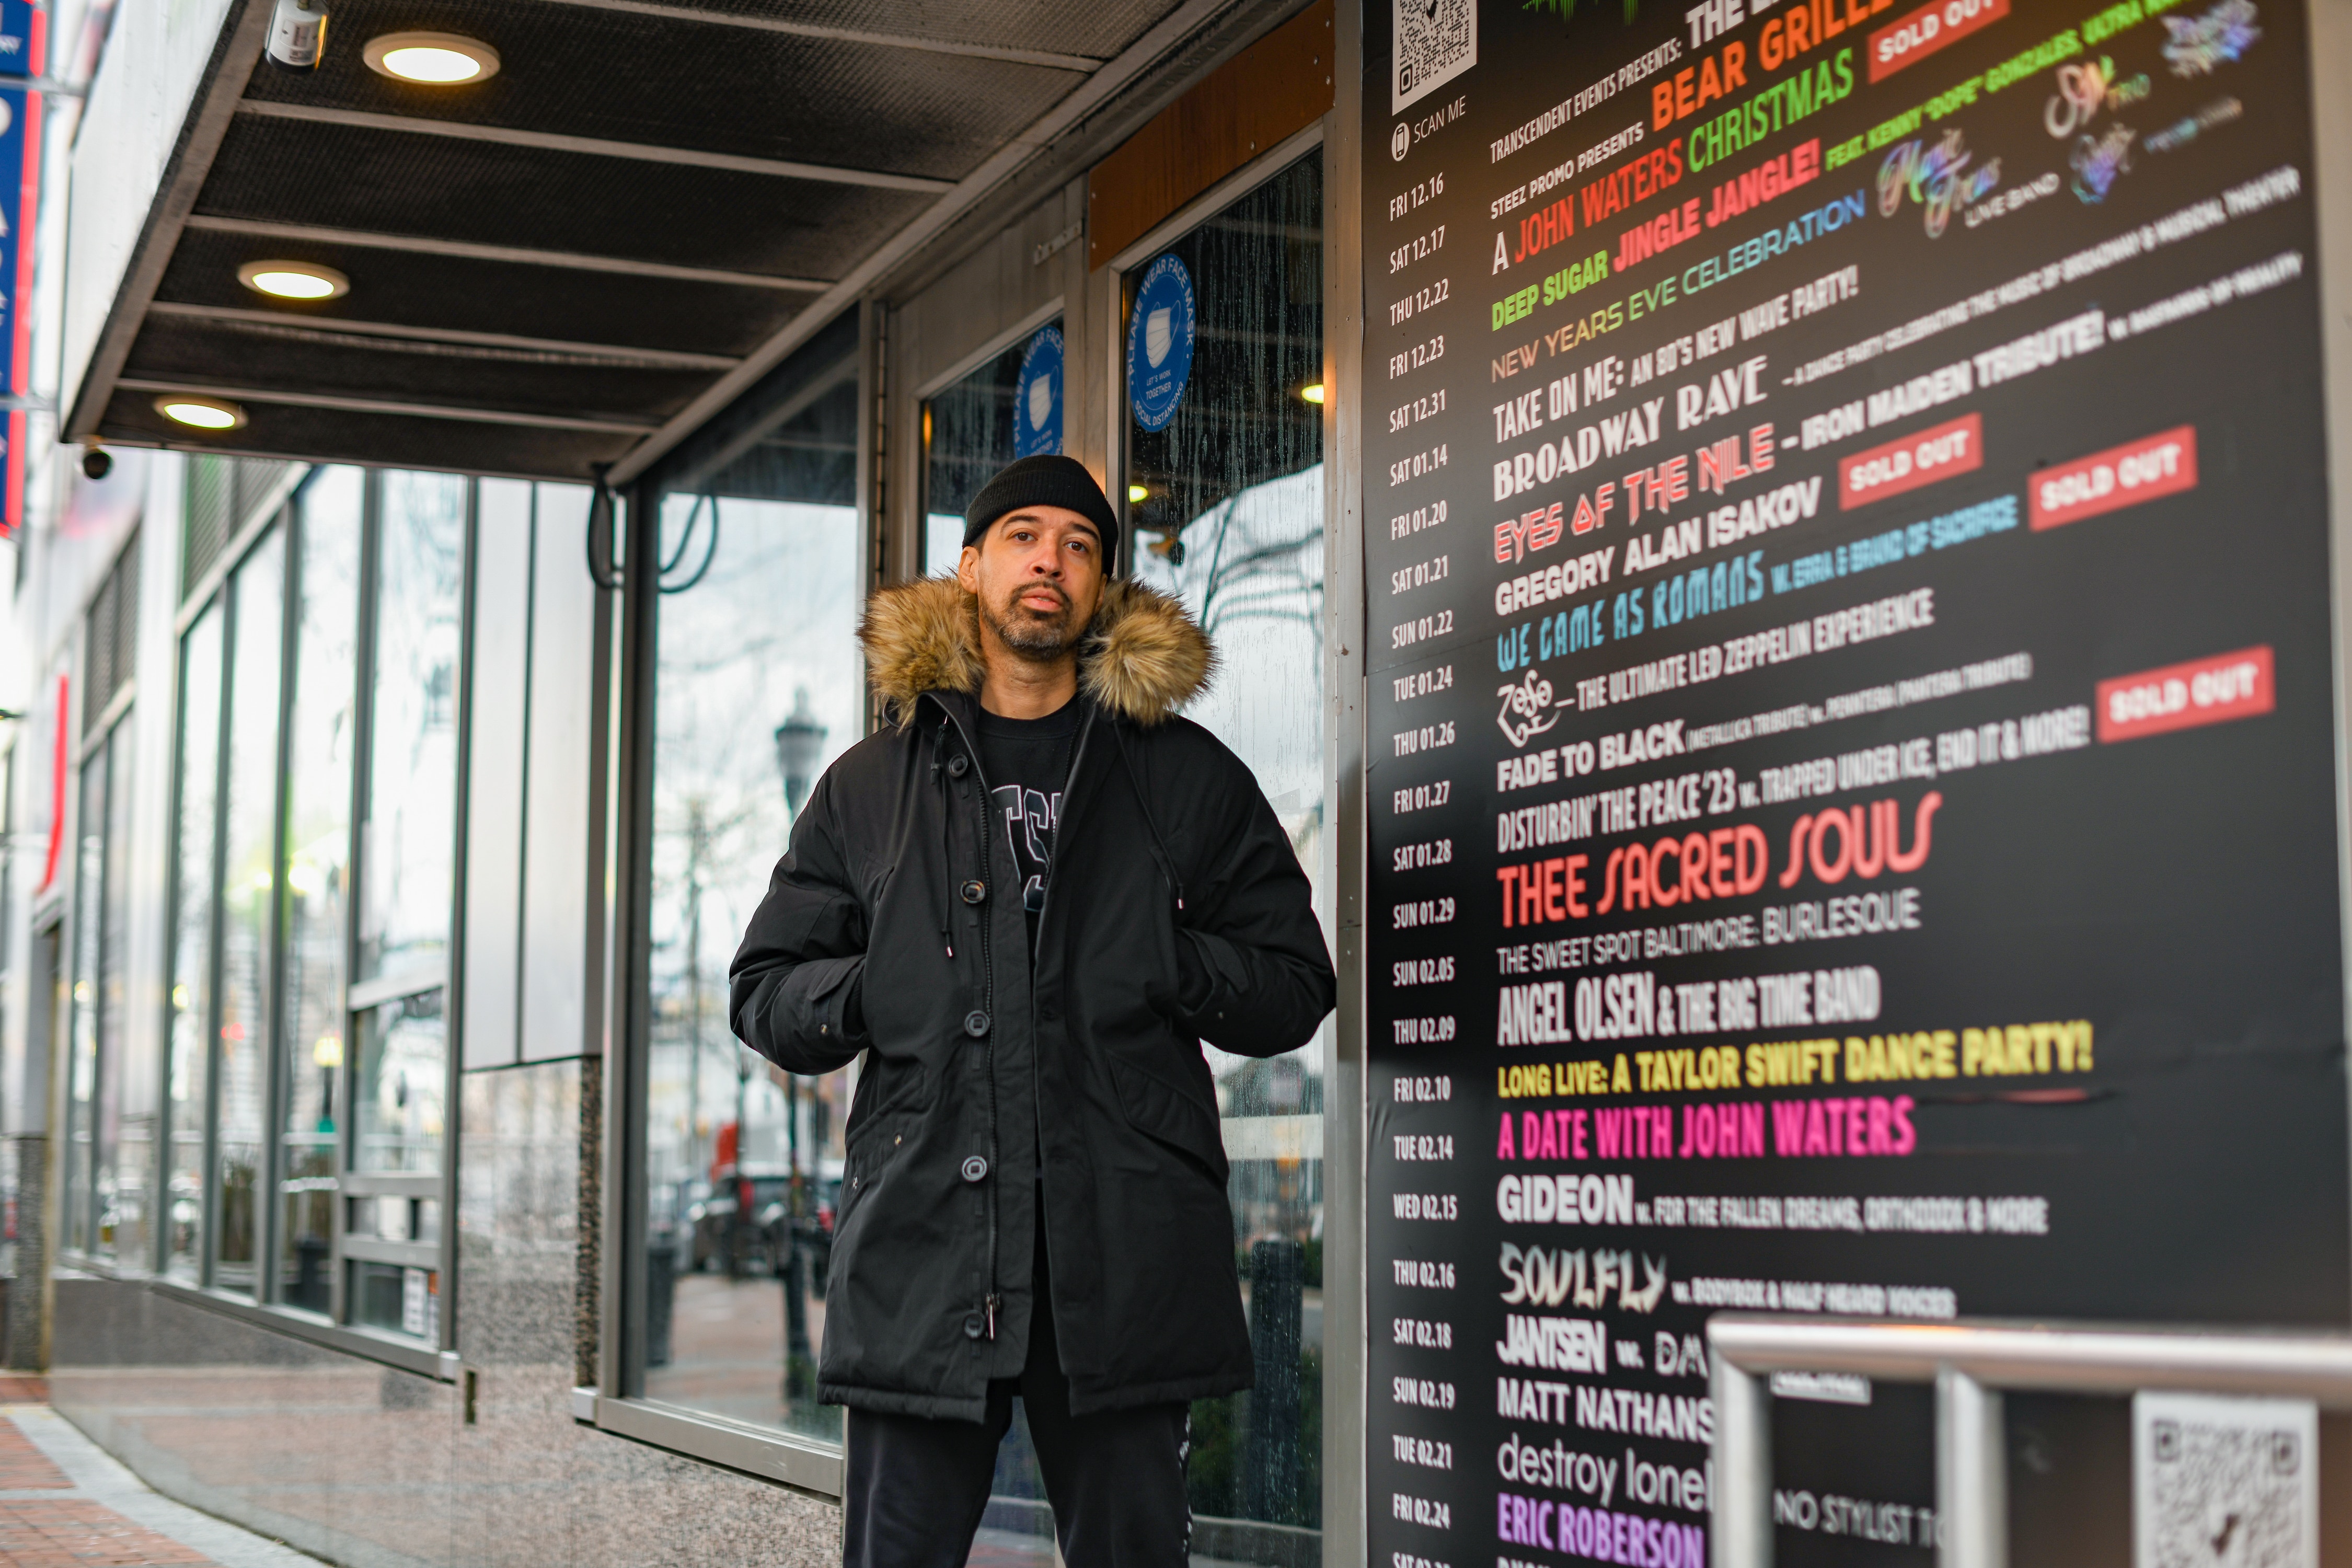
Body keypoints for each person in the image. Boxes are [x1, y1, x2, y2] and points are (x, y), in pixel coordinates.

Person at [730, 453, 1337, 1568]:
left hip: (1125, 1262)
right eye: (1023, 537)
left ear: (1101, 583)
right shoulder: (871, 786)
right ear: (972, 567)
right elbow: (763, 992)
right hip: (924, 1259)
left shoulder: (1184, 775)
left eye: (1078, 544)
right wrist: (872, 987)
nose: (1049, 560)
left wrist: (1166, 958)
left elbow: (1295, 985)